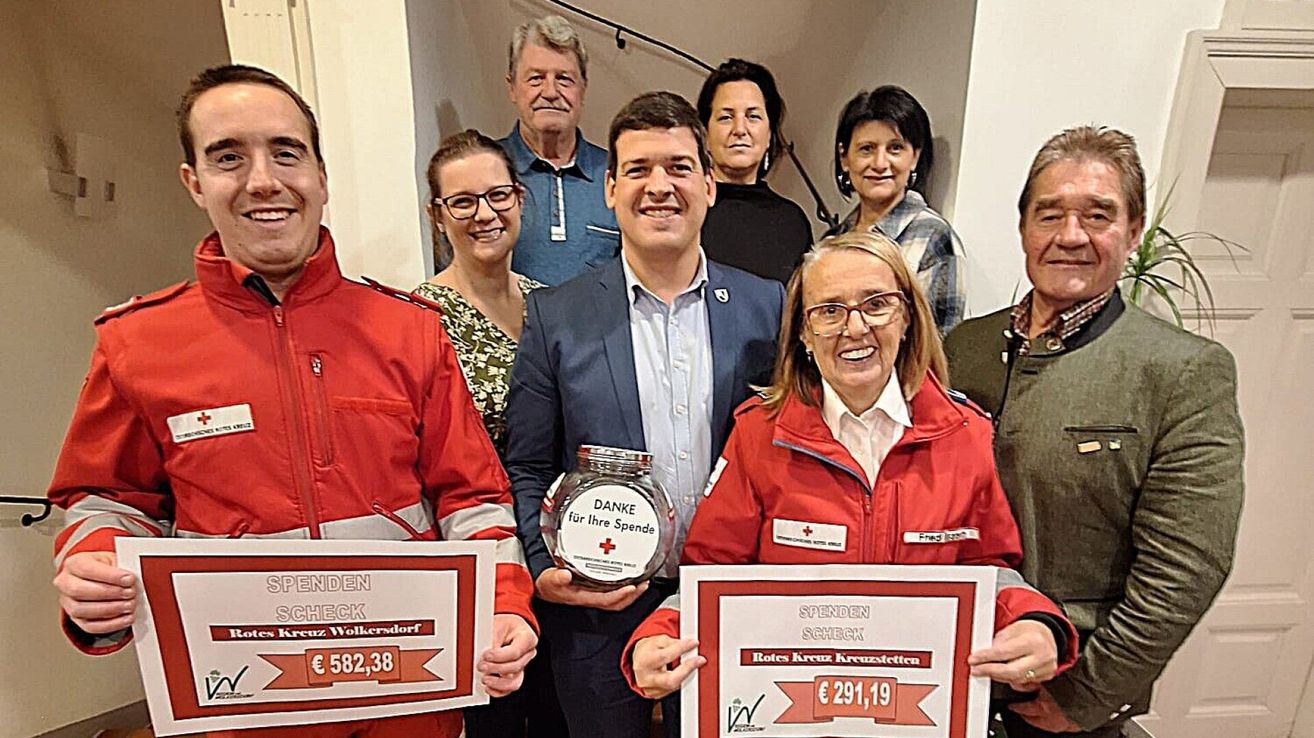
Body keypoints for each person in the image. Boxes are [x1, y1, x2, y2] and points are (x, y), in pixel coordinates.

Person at [47, 64, 537, 738]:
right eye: (228, 157)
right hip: (240, 707)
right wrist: (95, 567)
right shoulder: (138, 342)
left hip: (409, 702)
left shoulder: (410, 329)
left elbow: (472, 498)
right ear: (194, 182)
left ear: (320, 176)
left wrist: (506, 604)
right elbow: (106, 503)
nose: (263, 180)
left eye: (285, 152)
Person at [622, 230, 1078, 703]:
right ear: (802, 331)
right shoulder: (759, 434)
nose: (855, 328)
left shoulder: (964, 434)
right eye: (829, 310)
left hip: (914, 713)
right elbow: (711, 575)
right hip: (786, 711)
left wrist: (1034, 622)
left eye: (876, 304)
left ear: (906, 317)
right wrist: (659, 633)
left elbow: (988, 568)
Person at [943, 125, 1244, 737]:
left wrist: (1086, 696)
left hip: (1059, 698)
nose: (1070, 236)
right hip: (942, 672)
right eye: (1049, 214)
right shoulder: (961, 347)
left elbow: (1186, 566)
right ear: (1024, 227)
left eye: (1098, 215)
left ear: (1133, 231)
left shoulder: (1183, 372)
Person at [504, 91, 785, 738]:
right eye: (638, 169)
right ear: (609, 188)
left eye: (680, 167)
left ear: (710, 186)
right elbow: (524, 464)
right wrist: (542, 570)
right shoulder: (556, 316)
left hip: (729, 605)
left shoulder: (767, 308)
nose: (660, 186)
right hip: (599, 613)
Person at [412, 129, 567, 738]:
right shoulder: (418, 318)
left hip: (553, 549)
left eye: (498, 195)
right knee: (494, 721)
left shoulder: (551, 305)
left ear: (521, 199)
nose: (485, 213)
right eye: (463, 201)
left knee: (560, 715)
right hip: (476, 560)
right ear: (438, 215)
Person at [828, 85, 966, 333]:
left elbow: (942, 347)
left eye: (895, 148)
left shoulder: (932, 237)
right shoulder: (831, 241)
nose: (880, 164)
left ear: (914, 157)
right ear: (844, 158)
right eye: (866, 149)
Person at [501, 14, 619, 286]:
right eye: (535, 79)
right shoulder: (486, 172)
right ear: (512, 88)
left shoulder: (618, 175)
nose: (551, 91)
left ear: (583, 89)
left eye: (564, 79)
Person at [695, 58, 811, 283]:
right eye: (726, 117)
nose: (740, 129)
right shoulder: (683, 209)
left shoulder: (792, 221)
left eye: (753, 116)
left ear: (769, 134)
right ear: (705, 134)